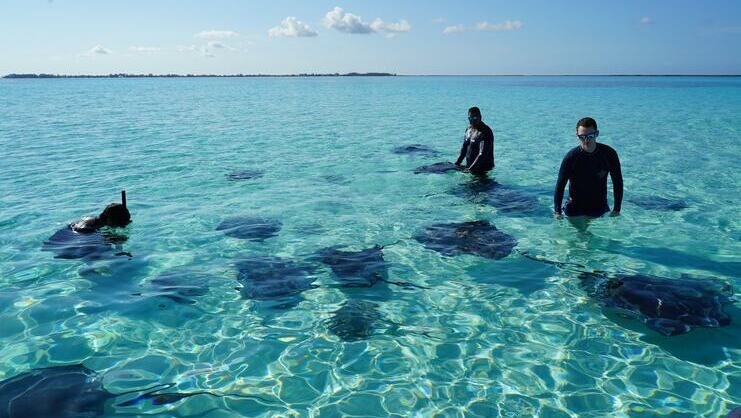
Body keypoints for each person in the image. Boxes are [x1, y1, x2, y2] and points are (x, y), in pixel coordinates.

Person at [554, 117, 623, 218]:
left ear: (597, 134)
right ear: (577, 136)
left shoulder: (609, 154)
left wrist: (617, 209)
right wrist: (557, 212)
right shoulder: (571, 157)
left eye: (590, 136)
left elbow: (617, 182)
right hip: (575, 208)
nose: (586, 140)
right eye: (582, 136)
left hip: (600, 207)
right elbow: (560, 185)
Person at [455, 107, 495, 175]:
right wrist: (457, 163)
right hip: (471, 168)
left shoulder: (485, 132)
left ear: (480, 117)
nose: (473, 120)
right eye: (470, 118)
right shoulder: (468, 130)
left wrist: (469, 170)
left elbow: (482, 154)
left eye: (475, 118)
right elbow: (464, 149)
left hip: (483, 170)